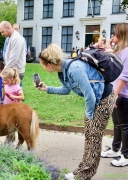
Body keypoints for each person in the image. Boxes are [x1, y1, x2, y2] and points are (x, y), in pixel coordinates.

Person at [37, 44, 115, 180]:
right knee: (89, 136)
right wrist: (47, 89)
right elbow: (66, 90)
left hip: (103, 98)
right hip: (94, 100)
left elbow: (89, 95)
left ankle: (83, 175)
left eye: (42, 65)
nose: (42, 67)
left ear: (49, 64)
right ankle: (81, 171)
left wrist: (90, 116)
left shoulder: (74, 69)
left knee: (94, 137)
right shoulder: (62, 71)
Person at [101, 23, 128, 167]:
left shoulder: (127, 52)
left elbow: (125, 76)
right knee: (117, 124)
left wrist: (115, 95)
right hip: (116, 92)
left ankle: (126, 155)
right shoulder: (119, 51)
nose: (112, 36)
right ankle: (115, 149)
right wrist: (111, 47)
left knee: (124, 126)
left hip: (123, 94)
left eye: (115, 34)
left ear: (122, 35)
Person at [1, 67, 24, 143]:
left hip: (14, 111)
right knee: (7, 125)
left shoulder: (17, 87)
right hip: (7, 109)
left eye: (5, 80)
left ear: (11, 79)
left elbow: (22, 97)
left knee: (12, 126)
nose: (3, 81)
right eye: (3, 79)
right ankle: (8, 141)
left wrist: (14, 97)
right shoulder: (6, 85)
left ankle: (11, 142)